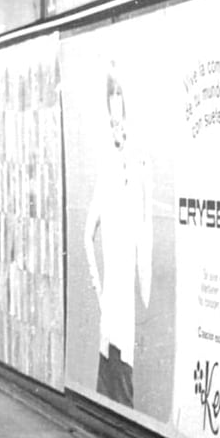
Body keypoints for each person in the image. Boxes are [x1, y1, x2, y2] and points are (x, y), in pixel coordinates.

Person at [85, 64, 152, 408]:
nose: (118, 129)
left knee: (123, 370)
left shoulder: (137, 173)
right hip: (112, 299)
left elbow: (144, 233)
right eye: (112, 122)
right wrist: (98, 288)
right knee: (110, 365)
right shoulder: (107, 175)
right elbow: (87, 233)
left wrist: (144, 288)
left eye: (121, 119)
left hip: (125, 301)